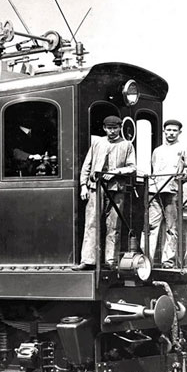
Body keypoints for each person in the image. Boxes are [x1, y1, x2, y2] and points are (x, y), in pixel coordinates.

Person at [73, 115, 136, 270]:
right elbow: (87, 166)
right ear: (104, 128)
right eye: (109, 128)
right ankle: (88, 260)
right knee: (91, 223)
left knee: (114, 225)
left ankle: (111, 261)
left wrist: (116, 172)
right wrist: (83, 185)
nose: (112, 131)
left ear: (120, 128)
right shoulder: (97, 143)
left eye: (115, 128)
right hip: (96, 188)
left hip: (116, 189)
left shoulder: (127, 145)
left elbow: (132, 167)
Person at [144, 119, 187, 268]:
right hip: (154, 191)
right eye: (168, 130)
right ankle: (146, 260)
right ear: (164, 131)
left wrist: (181, 177)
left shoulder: (183, 149)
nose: (171, 133)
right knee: (150, 226)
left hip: (171, 191)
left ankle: (168, 261)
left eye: (174, 130)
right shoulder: (158, 150)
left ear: (179, 132)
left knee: (171, 227)